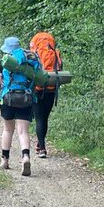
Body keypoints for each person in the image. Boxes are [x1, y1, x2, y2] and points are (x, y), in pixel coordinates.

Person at [0, 35, 39, 177]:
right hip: (26, 98)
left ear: (7, 49)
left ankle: (4, 160)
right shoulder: (29, 59)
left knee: (8, 129)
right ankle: (25, 156)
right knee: (23, 131)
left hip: (8, 97)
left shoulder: (4, 62)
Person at [29, 31, 63, 159]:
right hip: (51, 88)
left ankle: (41, 147)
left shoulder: (32, 54)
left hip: (37, 89)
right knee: (45, 117)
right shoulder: (55, 53)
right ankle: (41, 143)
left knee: (39, 118)